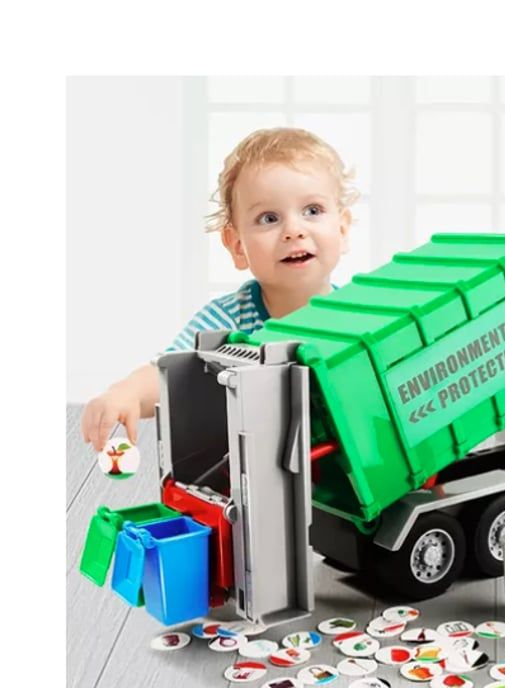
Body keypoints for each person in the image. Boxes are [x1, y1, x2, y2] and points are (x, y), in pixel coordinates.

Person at [81, 127, 357, 451]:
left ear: (342, 230)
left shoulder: (359, 320)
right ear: (237, 246)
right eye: (269, 218)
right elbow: (170, 373)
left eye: (312, 211)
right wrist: (126, 392)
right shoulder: (228, 321)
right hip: (253, 464)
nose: (294, 230)